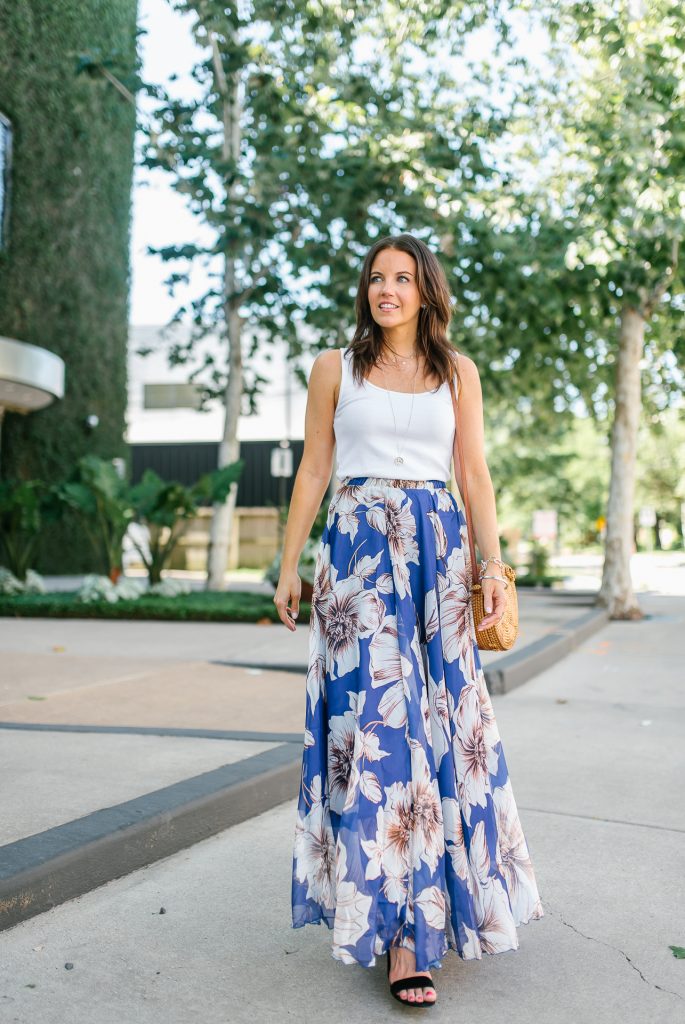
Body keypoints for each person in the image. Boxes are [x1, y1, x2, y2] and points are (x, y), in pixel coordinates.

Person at [274, 233, 544, 1008]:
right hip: (357, 561)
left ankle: (429, 912)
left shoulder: (457, 373)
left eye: (400, 278)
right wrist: (288, 563)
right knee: (375, 732)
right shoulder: (335, 368)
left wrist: (492, 572)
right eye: (374, 277)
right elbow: (315, 468)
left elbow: (473, 474)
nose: (384, 289)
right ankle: (398, 933)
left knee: (436, 728)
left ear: (425, 290)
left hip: (437, 562)